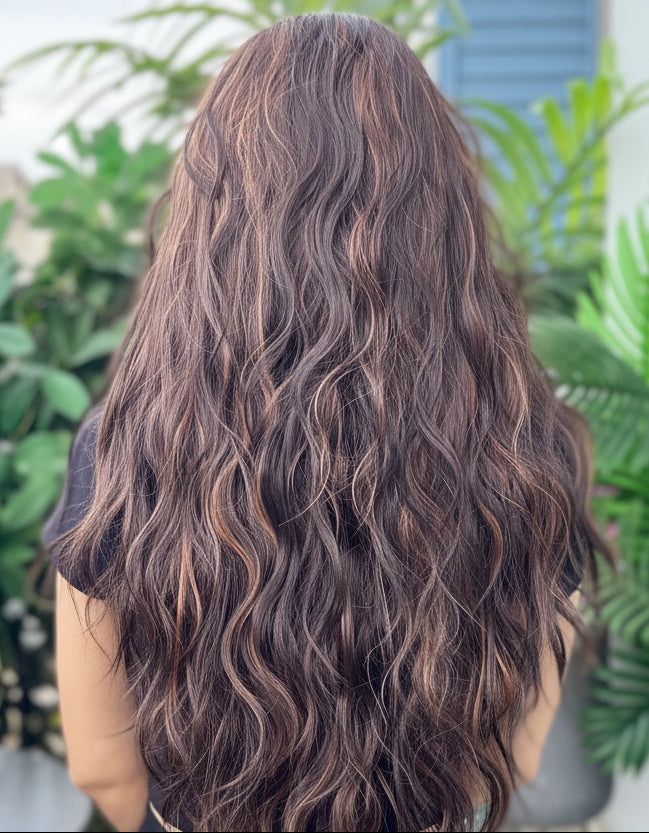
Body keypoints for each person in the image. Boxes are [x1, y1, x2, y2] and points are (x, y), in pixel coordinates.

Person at [44, 13, 615, 833]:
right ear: (438, 212)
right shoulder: (525, 446)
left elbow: (103, 765)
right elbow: (516, 754)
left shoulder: (129, 441)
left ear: (218, 212)